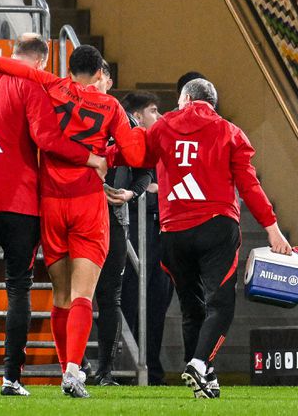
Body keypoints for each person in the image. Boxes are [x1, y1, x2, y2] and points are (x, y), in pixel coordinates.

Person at [0, 36, 107, 398]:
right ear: (40, 62)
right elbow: (48, 138)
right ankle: (11, 378)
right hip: (20, 203)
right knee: (18, 286)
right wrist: (91, 158)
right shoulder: (29, 86)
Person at [119, 78, 291, 399]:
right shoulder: (229, 132)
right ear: (212, 103)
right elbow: (249, 186)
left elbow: (134, 155)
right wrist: (271, 226)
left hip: (173, 231)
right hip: (216, 226)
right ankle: (199, 363)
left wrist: (96, 156)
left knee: (190, 307)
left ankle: (203, 376)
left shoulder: (162, 127)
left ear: (184, 99)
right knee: (220, 304)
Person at [0, 45, 145, 398]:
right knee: (83, 295)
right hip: (87, 203)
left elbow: (3, 64)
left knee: (60, 295)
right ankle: (74, 372)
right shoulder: (110, 105)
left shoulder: (51, 85)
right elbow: (136, 155)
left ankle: (66, 368)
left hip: (50, 202)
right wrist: (107, 152)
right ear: (98, 74)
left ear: (70, 68)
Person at [91, 67, 153, 387]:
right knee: (74, 294)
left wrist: (131, 193)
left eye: (98, 76)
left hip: (114, 219)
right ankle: (72, 365)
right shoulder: (72, 115)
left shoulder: (126, 123)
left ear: (108, 81)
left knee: (109, 295)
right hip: (78, 217)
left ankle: (104, 370)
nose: (93, 82)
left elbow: (144, 171)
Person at [118, 92, 172, 386]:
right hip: (135, 231)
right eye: (153, 111)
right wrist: (145, 187)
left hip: (160, 231)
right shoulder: (126, 145)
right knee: (131, 299)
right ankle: (129, 365)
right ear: (137, 116)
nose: (159, 116)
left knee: (158, 302)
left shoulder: (163, 146)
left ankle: (152, 367)